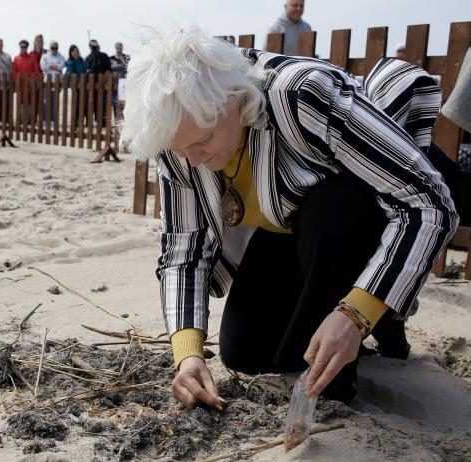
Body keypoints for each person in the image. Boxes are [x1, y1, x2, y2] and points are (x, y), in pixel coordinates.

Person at [120, 27, 457, 408]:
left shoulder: (299, 96)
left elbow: (428, 201)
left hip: (370, 194)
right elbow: (183, 249)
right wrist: (188, 354)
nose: (193, 160)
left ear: (234, 101)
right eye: (179, 149)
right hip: (288, 223)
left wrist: (355, 314)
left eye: (202, 142)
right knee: (247, 351)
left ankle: (360, 339)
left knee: (332, 207)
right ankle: (359, 317)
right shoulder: (177, 142)